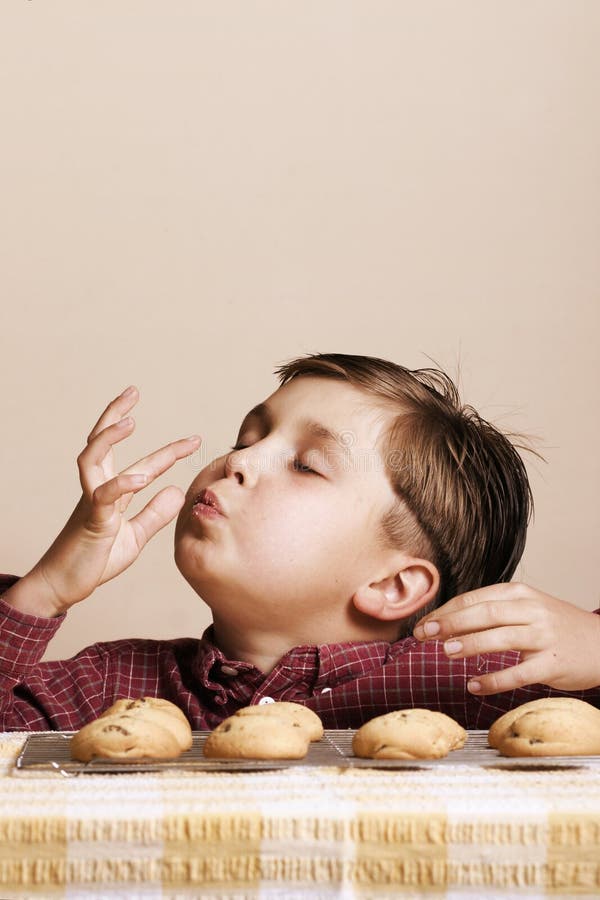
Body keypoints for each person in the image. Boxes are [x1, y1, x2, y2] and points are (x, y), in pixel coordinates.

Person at [1, 353, 598, 732]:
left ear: (392, 585)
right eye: (247, 436)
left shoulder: (482, 682)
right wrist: (44, 592)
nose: (239, 458)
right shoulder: (109, 686)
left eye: (306, 465)